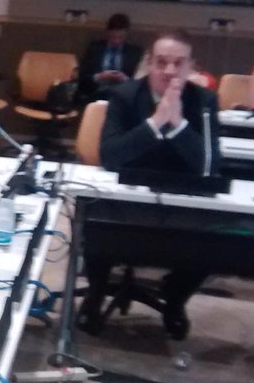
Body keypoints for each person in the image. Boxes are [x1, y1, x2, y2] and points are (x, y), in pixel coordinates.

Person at [83, 29, 221, 341]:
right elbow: (110, 156)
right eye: (161, 62)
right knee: (93, 222)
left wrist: (179, 124)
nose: (169, 71)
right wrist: (156, 121)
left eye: (179, 63)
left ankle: (175, 300)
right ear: (149, 63)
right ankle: (96, 294)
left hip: (182, 202)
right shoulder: (124, 96)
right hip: (125, 199)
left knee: (215, 241)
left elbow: (210, 166)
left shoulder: (205, 101)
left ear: (191, 66)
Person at [77, 14, 144, 105]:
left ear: (126, 34)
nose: (117, 41)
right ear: (107, 33)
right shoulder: (95, 48)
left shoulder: (135, 52)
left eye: (120, 38)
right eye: (113, 37)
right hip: (95, 92)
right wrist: (100, 76)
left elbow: (140, 82)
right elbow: (83, 76)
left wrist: (125, 79)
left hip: (123, 95)